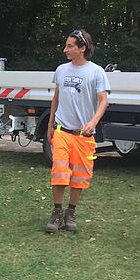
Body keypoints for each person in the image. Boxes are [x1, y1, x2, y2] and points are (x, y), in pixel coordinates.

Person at [45, 29, 110, 234]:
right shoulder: (61, 70)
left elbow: (103, 100)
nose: (65, 50)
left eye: (70, 46)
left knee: (80, 176)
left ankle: (70, 214)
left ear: (82, 48)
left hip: (83, 136)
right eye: (66, 45)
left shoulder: (96, 72)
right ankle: (56, 212)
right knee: (59, 173)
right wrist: (50, 125)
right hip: (62, 131)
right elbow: (56, 98)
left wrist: (93, 121)